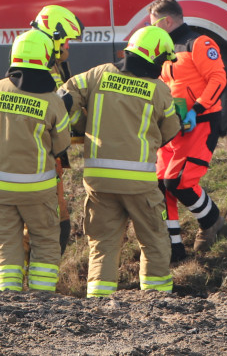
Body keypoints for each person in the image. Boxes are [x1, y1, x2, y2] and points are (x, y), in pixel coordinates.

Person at [59, 25, 181, 298]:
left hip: (99, 181)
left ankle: (99, 301)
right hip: (140, 185)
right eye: (163, 61)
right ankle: (156, 298)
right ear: (155, 59)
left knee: (102, 243)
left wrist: (82, 125)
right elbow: (170, 131)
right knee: (154, 240)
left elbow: (64, 99)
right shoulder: (159, 90)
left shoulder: (98, 74)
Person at [0, 29, 71, 292]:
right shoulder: (53, 100)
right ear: (46, 58)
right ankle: (42, 296)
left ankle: (8, 294)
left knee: (7, 242)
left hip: (1, 187)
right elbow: (62, 144)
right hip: (39, 188)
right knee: (45, 240)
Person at [148, 0, 227, 260]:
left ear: (166, 20)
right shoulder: (165, 50)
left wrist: (197, 110)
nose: (152, 31)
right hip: (172, 126)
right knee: (161, 183)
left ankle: (211, 221)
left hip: (200, 122)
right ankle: (174, 248)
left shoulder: (199, 43)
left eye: (154, 24)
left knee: (179, 181)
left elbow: (218, 79)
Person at [30, 4, 84, 252]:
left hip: (51, 155)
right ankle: (6, 283)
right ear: (55, 37)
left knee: (55, 224)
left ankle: (9, 281)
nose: (69, 47)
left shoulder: (51, 63)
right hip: (38, 155)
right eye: (67, 41)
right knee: (46, 225)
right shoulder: (37, 65)